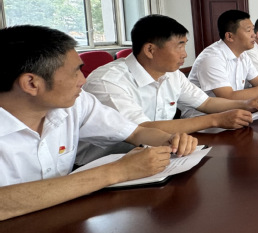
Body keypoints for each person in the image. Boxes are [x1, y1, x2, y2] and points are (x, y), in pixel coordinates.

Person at [0, 25, 197, 221]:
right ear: (31, 83)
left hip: (63, 219)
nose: (83, 80)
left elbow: (135, 132)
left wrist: (170, 139)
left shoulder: (75, 103)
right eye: (75, 73)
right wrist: (117, 171)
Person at [84, 14, 258, 134]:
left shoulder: (171, 74)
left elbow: (206, 102)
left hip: (154, 153)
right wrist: (216, 120)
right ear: (150, 50)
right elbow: (142, 130)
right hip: (103, 163)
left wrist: (246, 104)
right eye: (179, 46)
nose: (185, 54)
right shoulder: (108, 81)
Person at [188, 10, 258, 103]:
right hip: (204, 117)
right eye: (248, 31)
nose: (254, 35)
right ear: (230, 36)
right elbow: (228, 97)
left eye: (253, 29)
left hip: (234, 110)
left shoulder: (243, 55)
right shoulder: (212, 58)